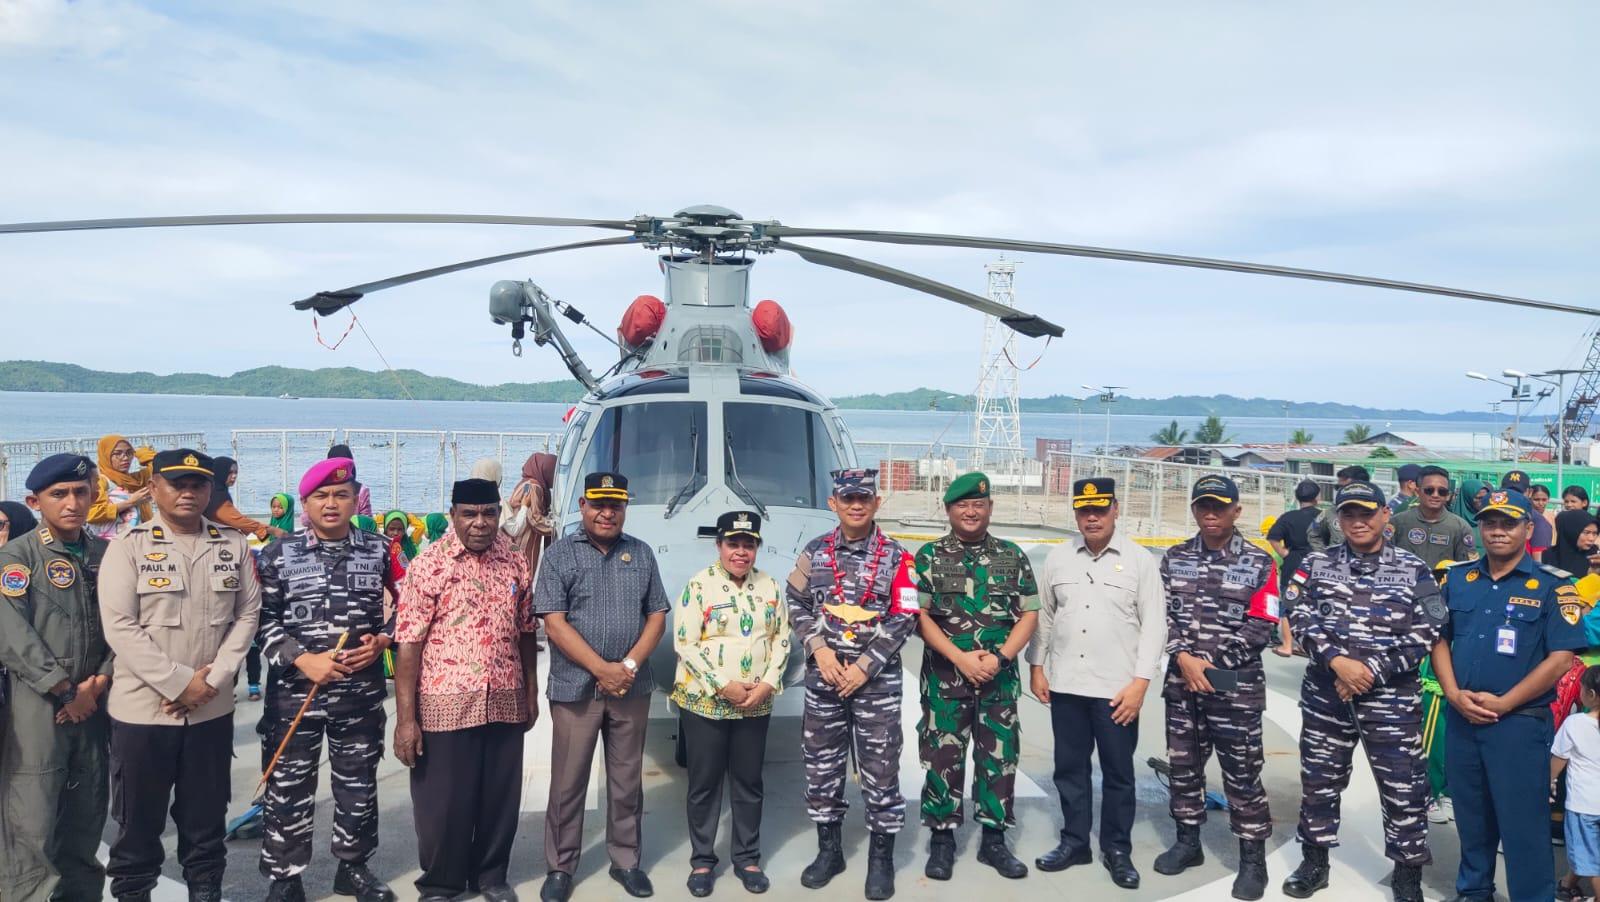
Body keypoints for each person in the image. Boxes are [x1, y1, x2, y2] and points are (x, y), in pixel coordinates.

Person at [99, 449, 262, 902]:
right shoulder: (128, 548)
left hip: (210, 712)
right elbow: (120, 627)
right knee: (138, 828)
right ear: (154, 489)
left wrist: (210, 682)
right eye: (177, 484)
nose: (189, 492)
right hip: (143, 713)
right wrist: (179, 684)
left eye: (198, 484)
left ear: (211, 489)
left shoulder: (232, 545)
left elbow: (248, 615)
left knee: (205, 825)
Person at [1282, 480, 1442, 902]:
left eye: (1366, 513)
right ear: (1338, 519)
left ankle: (1407, 875)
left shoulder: (1413, 569)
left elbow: (1428, 630)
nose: (1357, 522)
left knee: (1404, 789)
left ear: (1385, 516)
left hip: (1390, 700)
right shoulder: (1316, 564)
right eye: (1349, 514)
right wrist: (1337, 660)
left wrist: (1369, 670)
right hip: (1326, 695)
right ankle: (1314, 863)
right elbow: (1297, 614)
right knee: (1319, 782)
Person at [1432, 488, 1587, 902]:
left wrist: (1505, 702)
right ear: (1480, 526)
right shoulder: (1458, 579)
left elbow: (1561, 658)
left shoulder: (1554, 586)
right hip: (1463, 719)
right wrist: (1452, 693)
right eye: (1489, 522)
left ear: (1527, 527)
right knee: (1472, 818)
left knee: (1523, 826)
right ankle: (1473, 892)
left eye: (1508, 522)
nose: (1497, 531)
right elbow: (1438, 641)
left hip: (1518, 724)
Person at [256, 457, 397, 902]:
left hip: (359, 694)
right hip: (295, 696)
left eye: (341, 494)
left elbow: (410, 606)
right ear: (305, 503)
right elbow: (261, 621)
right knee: (288, 788)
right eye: (321, 496)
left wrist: (384, 641)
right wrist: (301, 659)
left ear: (356, 499)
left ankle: (353, 868)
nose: (332, 503)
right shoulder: (279, 554)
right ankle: (285, 876)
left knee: (358, 785)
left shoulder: (379, 550)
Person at [393, 477, 538, 902]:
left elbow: (527, 629)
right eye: (470, 514)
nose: (480, 523)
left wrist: (529, 690)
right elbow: (408, 643)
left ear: (498, 514)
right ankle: (441, 882)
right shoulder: (429, 564)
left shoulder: (514, 562)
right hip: (444, 701)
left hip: (504, 698)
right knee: (443, 803)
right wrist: (406, 720)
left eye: (489, 513)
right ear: (453, 514)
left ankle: (491, 876)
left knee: (499, 798)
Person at [533, 472, 669, 902]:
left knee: (627, 780)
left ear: (625, 508)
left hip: (631, 685)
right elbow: (553, 622)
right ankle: (560, 867)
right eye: (599, 504)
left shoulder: (642, 554)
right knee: (568, 782)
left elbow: (657, 616)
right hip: (576, 688)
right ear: (583, 505)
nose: (607, 512)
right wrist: (600, 668)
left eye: (616, 505)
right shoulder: (558, 555)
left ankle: (626, 860)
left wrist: (626, 665)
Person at [788, 468, 919, 901]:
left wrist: (865, 665)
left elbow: (905, 615)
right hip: (824, 678)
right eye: (848, 499)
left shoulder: (899, 556)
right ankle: (830, 851)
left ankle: (880, 859)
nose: (856, 504)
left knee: (880, 769)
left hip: (875, 683)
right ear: (834, 504)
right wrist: (819, 651)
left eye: (864, 497)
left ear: (877, 503)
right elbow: (795, 601)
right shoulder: (815, 551)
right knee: (822, 766)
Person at [1029, 478, 1165, 891]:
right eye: (1084, 510)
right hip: (1068, 684)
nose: (1092, 517)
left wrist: (1141, 682)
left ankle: (1117, 849)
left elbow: (1155, 627)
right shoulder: (1059, 559)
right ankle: (1074, 842)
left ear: (1115, 510)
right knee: (1069, 770)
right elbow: (1046, 616)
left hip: (1117, 690)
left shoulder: (1140, 561)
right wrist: (1037, 665)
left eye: (1100, 509)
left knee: (1119, 772)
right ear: (1075, 513)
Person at [1153, 475, 1279, 900]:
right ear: (1193, 510)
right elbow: (1159, 615)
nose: (1211, 513)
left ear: (1236, 511)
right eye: (1203, 506)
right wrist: (1183, 657)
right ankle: (1188, 843)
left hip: (1234, 689)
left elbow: (1264, 623)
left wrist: (1211, 666)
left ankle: (1251, 860)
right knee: (1184, 769)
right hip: (1182, 684)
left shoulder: (1261, 563)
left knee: (1242, 775)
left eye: (1220, 507)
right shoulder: (1173, 558)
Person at [0, 454, 114, 902]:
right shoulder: (16, 557)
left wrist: (98, 684)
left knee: (86, 819)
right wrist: (66, 690)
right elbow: (12, 635)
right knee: (33, 822)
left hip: (92, 704)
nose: (72, 502)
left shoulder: (107, 554)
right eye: (59, 494)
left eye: (81, 492)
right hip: (37, 706)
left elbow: (123, 627)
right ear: (36, 500)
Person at [914, 473, 1039, 882]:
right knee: (942, 759)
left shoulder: (1011, 555)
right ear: (949, 509)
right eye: (963, 505)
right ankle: (943, 840)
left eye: (979, 504)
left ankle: (994, 841)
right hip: (946, 681)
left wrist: (1000, 658)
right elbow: (921, 617)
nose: (971, 511)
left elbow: (1030, 614)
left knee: (999, 760)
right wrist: (960, 659)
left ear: (989, 508)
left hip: (998, 681)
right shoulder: (929, 556)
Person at [672, 510, 791, 897]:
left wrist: (769, 683)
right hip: (706, 701)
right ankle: (703, 861)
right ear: (719, 545)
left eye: (748, 544)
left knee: (748, 781)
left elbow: (781, 640)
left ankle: (747, 857)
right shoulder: (699, 585)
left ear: (757, 547)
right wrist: (723, 685)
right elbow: (685, 642)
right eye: (733, 544)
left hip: (755, 702)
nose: (741, 552)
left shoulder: (771, 587)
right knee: (704, 784)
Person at [1553, 665, 1600, 902]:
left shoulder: (1575, 724)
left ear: (1590, 694)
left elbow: (1558, 761)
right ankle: (1567, 883)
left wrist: (1545, 786)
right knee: (1589, 851)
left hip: (1584, 806)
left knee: (1589, 858)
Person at [1267, 480, 1322, 656]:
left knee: (1288, 605)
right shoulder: (1323, 517)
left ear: (1298, 498)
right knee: (1314, 607)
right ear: (1317, 498)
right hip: (1317, 565)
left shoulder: (1288, 517)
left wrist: (1285, 554)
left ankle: (1287, 645)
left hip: (1293, 564)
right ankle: (1309, 646)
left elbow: (1273, 537)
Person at [1387, 466, 1476, 570]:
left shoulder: (1460, 528)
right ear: (1417, 492)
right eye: (1429, 490)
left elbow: (1466, 567)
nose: (1435, 495)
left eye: (1442, 491)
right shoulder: (1397, 522)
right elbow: (1385, 559)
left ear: (1448, 495)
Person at [88, 433, 153, 539]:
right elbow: (92, 514)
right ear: (105, 456)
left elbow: (159, 469)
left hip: (141, 538)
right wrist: (130, 502)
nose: (125, 458)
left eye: (129, 453)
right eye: (117, 454)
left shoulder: (136, 480)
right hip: (111, 544)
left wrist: (141, 453)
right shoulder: (101, 482)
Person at [205, 455, 279, 541]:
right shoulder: (217, 497)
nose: (234, 476)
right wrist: (270, 530)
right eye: (230, 472)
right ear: (220, 472)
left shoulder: (215, 491)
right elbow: (236, 520)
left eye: (236, 472)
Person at [1309, 465, 1370, 551]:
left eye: (1346, 488)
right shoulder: (1331, 512)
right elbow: (1313, 533)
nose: (1341, 491)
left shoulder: (1377, 513)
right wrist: (1324, 555)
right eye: (1338, 488)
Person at [1530, 484, 1556, 560]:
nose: (1541, 503)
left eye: (1544, 500)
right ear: (1529, 498)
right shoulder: (1527, 517)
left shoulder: (1553, 517)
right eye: (1536, 500)